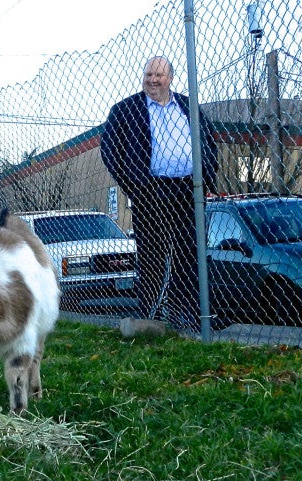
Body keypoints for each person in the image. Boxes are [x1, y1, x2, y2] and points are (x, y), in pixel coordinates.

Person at [100, 56, 219, 332]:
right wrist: (133, 184)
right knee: (153, 252)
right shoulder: (126, 110)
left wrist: (208, 175)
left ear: (170, 79)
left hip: (189, 189)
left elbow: (209, 142)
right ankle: (149, 315)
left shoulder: (189, 107)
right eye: (149, 74)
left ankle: (184, 313)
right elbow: (109, 150)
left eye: (159, 75)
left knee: (189, 252)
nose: (153, 80)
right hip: (151, 191)